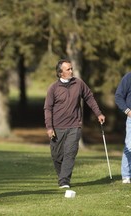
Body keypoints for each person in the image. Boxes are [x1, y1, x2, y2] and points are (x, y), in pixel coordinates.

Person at [44, 59, 105, 188]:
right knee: (56, 155)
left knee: (70, 153)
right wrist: (49, 127)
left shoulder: (79, 83)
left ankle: (64, 181)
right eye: (68, 69)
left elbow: (89, 97)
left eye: (71, 68)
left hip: (74, 125)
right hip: (57, 127)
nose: (71, 71)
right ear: (61, 73)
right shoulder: (53, 88)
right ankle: (62, 176)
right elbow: (47, 109)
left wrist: (98, 113)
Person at [115, 73, 131, 184]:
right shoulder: (128, 77)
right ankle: (126, 175)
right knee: (130, 145)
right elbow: (118, 96)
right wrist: (128, 111)